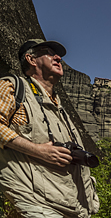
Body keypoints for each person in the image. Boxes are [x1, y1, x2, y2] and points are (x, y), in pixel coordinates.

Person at [0, 38, 99, 218]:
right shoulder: (13, 87)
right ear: (31, 59)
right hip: (36, 202)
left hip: (73, 205)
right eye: (49, 52)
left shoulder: (59, 106)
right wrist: (38, 150)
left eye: (59, 55)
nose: (58, 58)